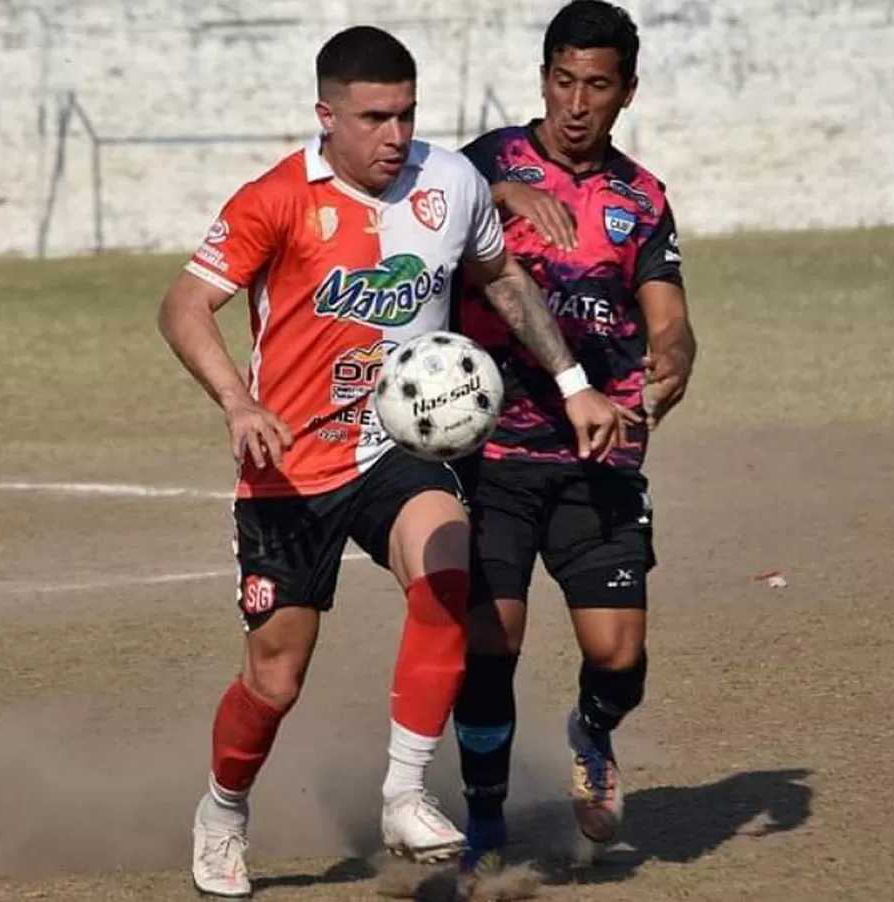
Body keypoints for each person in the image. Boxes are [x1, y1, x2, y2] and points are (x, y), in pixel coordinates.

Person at [157, 23, 633, 899]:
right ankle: (224, 810)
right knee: (277, 673)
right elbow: (184, 306)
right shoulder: (275, 199)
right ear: (325, 116)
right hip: (290, 466)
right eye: (375, 117)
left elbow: (502, 279)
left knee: (450, 565)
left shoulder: (450, 183)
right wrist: (239, 401)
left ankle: (404, 792)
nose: (395, 137)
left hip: (396, 449)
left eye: (407, 115)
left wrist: (571, 383)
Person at [448, 0, 699, 866]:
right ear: (543, 77)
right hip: (494, 452)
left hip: (600, 454)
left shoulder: (642, 197)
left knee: (618, 654)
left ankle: (592, 732)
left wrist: (671, 358)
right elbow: (416, 192)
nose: (576, 103)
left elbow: (669, 318)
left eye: (597, 85)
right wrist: (501, 191)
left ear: (627, 91)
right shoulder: (486, 160)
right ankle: (485, 820)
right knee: (492, 638)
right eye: (563, 81)